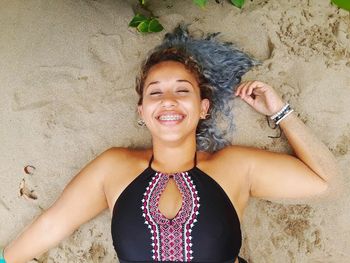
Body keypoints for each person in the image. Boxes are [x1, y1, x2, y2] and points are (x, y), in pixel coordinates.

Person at [1, 26, 338, 263]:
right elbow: (54, 223)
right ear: (142, 111)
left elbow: (326, 184)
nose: (168, 101)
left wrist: (280, 111)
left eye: (182, 90)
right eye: (155, 92)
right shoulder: (114, 169)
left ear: (203, 107)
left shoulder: (235, 168)